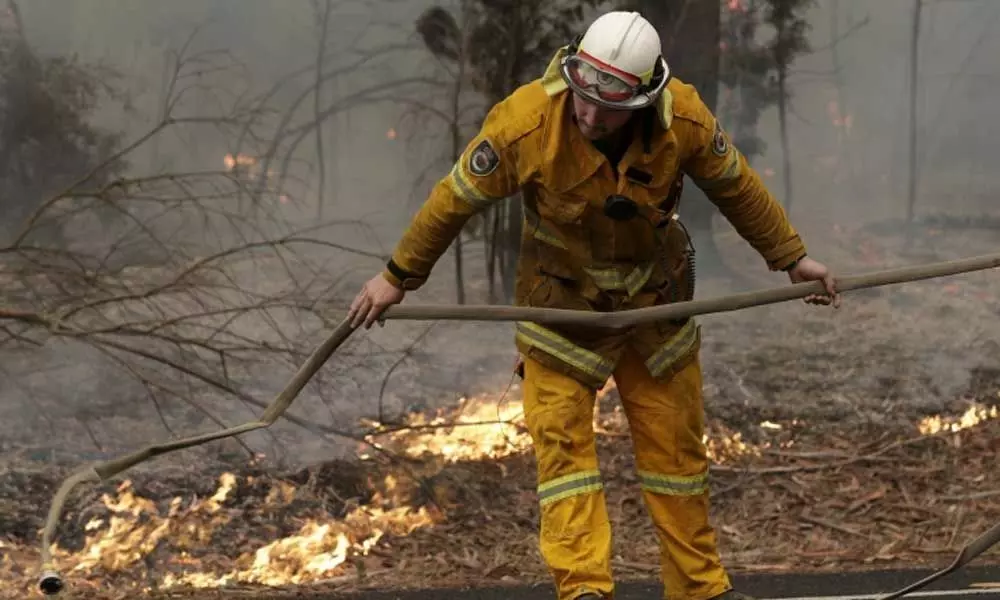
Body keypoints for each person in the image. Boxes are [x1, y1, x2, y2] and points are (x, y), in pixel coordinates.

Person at [349, 10, 840, 600]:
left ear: (643, 98)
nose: (588, 113)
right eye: (582, 95)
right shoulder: (526, 123)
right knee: (564, 463)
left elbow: (735, 185)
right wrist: (398, 274)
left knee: (677, 461)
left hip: (654, 311)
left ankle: (700, 590)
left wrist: (791, 256)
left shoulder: (682, 117)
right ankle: (584, 591)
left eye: (607, 106)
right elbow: (453, 200)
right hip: (562, 313)